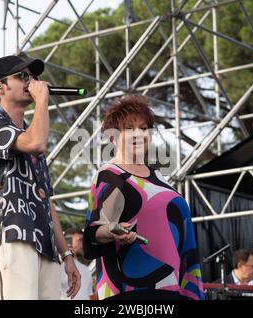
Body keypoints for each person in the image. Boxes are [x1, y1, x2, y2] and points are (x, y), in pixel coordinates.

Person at [0, 55, 80, 300]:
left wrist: (68, 255)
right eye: (23, 76)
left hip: (47, 244)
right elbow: (36, 143)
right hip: (15, 232)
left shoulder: (31, 127)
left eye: (33, 77)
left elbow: (46, 198)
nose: (31, 82)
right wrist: (43, 100)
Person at [83, 95, 205, 300]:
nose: (139, 134)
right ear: (113, 136)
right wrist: (115, 232)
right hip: (131, 291)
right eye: (129, 128)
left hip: (174, 287)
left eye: (144, 128)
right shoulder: (109, 175)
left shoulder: (158, 175)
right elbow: (93, 233)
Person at [60, 228, 95, 300]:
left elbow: (90, 296)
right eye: (80, 240)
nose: (83, 244)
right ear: (67, 241)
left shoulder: (85, 269)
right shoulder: (57, 266)